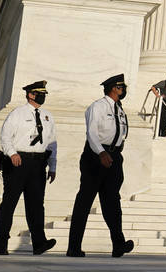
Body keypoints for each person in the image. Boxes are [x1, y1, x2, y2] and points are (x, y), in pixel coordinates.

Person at [67, 73, 133, 258]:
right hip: (96, 157)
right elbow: (92, 133)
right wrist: (101, 152)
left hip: (114, 157)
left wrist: (115, 152)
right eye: (121, 87)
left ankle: (118, 244)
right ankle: (74, 246)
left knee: (112, 201)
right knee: (85, 201)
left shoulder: (119, 109)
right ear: (113, 88)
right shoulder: (98, 106)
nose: (123, 90)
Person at [0, 80, 58, 255]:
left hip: (38, 164)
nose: (42, 96)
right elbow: (5, 137)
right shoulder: (18, 113)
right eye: (39, 93)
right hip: (18, 162)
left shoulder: (47, 116)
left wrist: (52, 165)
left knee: (37, 205)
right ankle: (1, 242)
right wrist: (12, 153)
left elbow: (52, 143)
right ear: (30, 94)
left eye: (44, 93)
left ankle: (39, 243)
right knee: (9, 203)